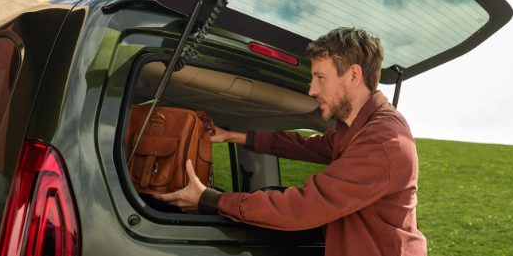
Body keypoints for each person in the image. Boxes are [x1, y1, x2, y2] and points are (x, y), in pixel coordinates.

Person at [154, 27, 427, 255]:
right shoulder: (358, 129)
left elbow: (304, 207)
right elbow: (307, 145)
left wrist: (210, 200)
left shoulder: (382, 140)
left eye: (320, 77)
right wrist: (233, 135)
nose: (312, 90)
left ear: (353, 75)